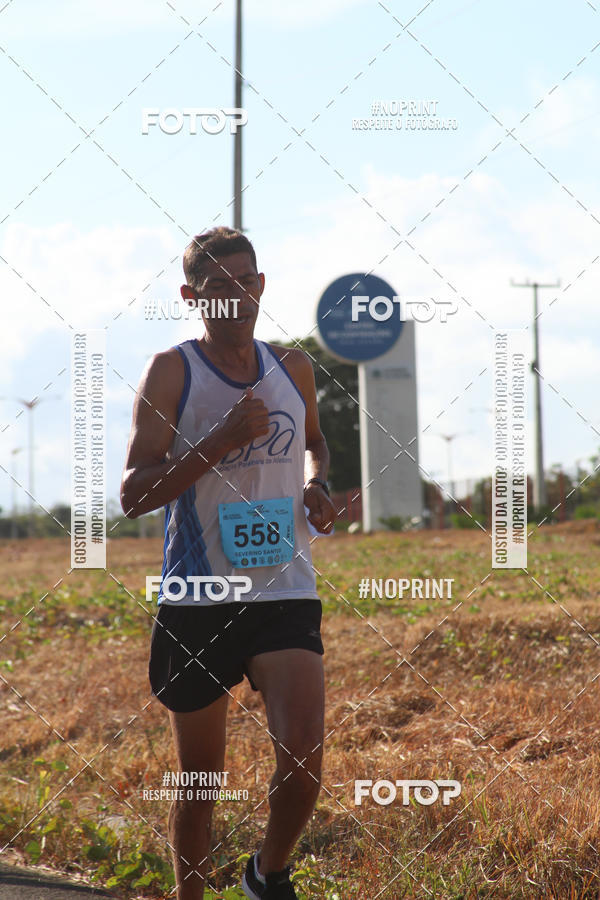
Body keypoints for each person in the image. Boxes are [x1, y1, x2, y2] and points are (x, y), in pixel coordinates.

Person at [120, 226, 336, 900]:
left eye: (247, 281)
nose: (236, 297)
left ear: (262, 285)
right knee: (200, 783)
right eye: (218, 287)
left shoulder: (293, 367)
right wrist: (216, 441)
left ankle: (267, 875)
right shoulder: (173, 371)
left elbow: (316, 446)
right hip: (199, 597)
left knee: (303, 757)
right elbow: (134, 494)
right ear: (192, 296)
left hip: (284, 591)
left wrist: (317, 485)